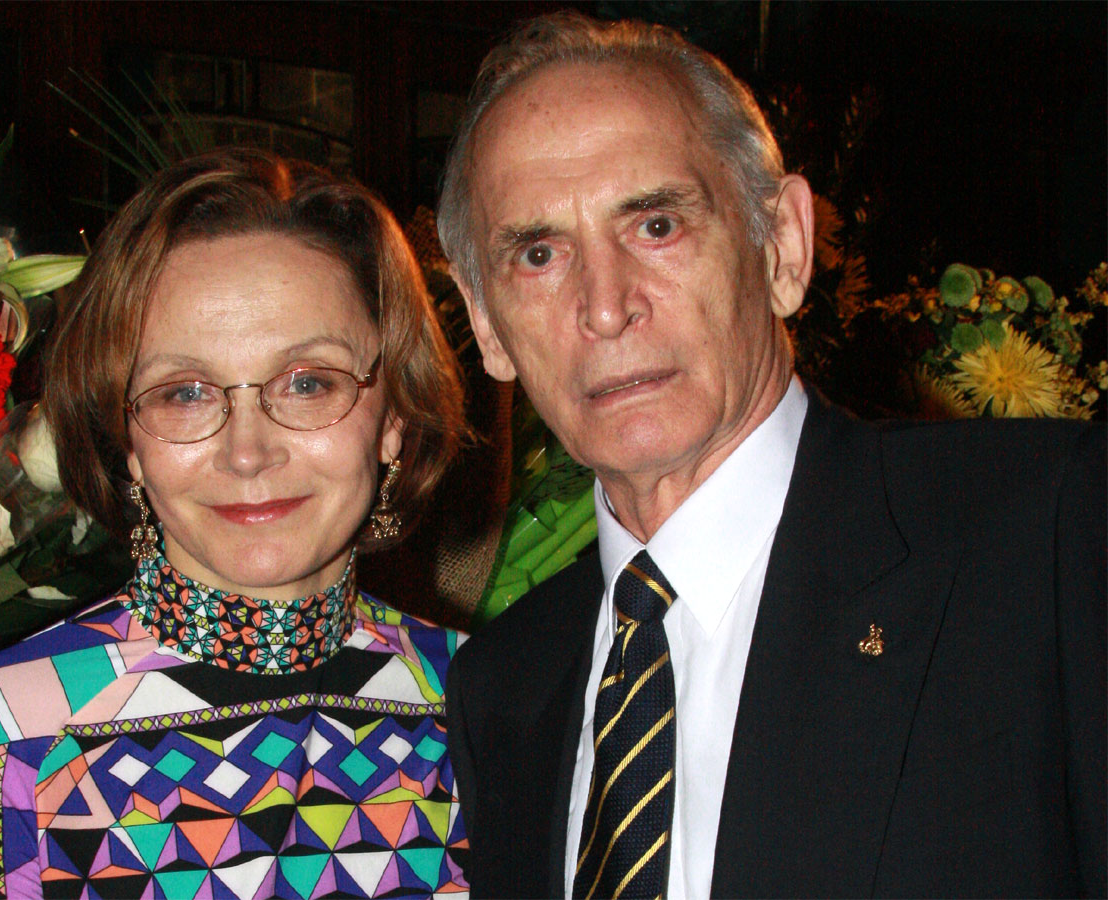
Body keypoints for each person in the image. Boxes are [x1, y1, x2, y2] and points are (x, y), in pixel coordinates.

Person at [436, 12, 1106, 899]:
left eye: (657, 225)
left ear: (784, 245)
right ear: (486, 325)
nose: (604, 306)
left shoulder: (1046, 537)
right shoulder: (503, 685)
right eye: (538, 253)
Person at [0, 149, 470, 899]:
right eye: (186, 393)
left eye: (307, 382)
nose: (248, 452)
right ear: (127, 441)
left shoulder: (491, 704)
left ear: (393, 414)